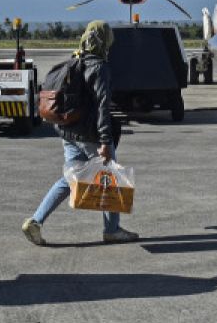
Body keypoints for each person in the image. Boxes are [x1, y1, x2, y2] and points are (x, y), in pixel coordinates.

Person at [22, 20, 138, 245]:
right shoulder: (99, 67)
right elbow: (103, 106)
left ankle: (35, 221)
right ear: (105, 41)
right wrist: (105, 140)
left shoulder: (75, 61)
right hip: (90, 135)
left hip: (68, 133)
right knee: (109, 179)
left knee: (70, 179)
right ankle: (112, 230)